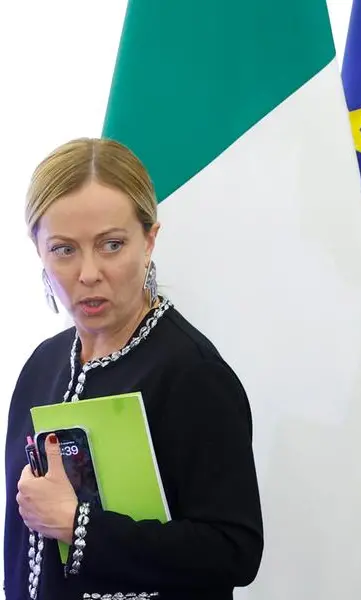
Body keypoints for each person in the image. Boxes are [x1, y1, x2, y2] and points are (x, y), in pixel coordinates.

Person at [4, 138, 264, 599]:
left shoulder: (192, 373)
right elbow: (20, 546)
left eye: (111, 245)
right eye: (64, 249)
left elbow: (234, 550)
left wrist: (79, 526)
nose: (88, 273)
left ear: (149, 240)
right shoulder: (41, 365)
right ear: (38, 249)